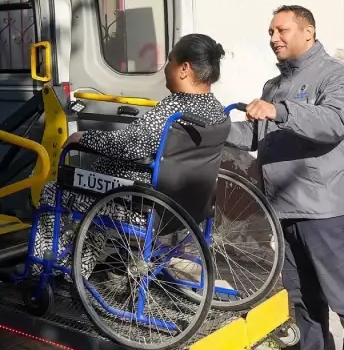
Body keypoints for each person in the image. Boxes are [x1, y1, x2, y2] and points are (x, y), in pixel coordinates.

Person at [229, 5, 344, 350]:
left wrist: (279, 111)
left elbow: (333, 123)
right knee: (303, 298)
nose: (274, 38)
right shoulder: (275, 84)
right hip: (285, 209)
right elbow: (257, 134)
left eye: (282, 30)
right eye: (270, 31)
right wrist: (208, 132)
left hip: (329, 211)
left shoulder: (339, 77)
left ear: (308, 31)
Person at [26, 33, 229, 278]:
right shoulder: (216, 110)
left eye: (170, 61)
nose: (166, 68)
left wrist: (85, 138)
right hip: (189, 206)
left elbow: (130, 147)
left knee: (54, 190)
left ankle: (42, 270)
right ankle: (76, 268)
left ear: (184, 69)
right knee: (93, 191)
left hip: (142, 205)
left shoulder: (174, 109)